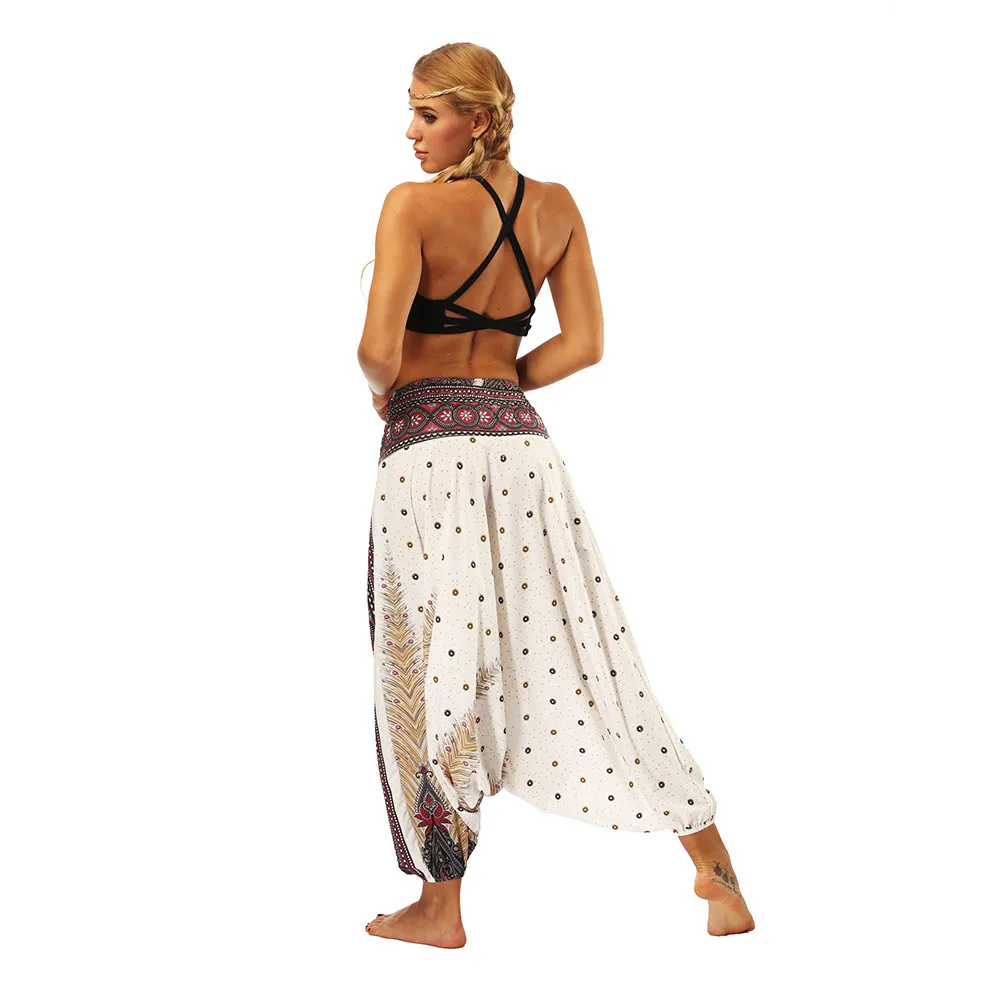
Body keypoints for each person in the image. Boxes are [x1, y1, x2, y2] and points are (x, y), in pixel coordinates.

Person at [357, 42, 754, 948]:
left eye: (427, 113)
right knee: (592, 647)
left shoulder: (411, 206)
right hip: (526, 454)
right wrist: (498, 388)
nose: (411, 131)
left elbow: (378, 349)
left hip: (426, 456)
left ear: (477, 120)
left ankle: (440, 907)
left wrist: (395, 392)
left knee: (428, 663)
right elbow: (584, 344)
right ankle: (718, 874)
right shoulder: (558, 207)